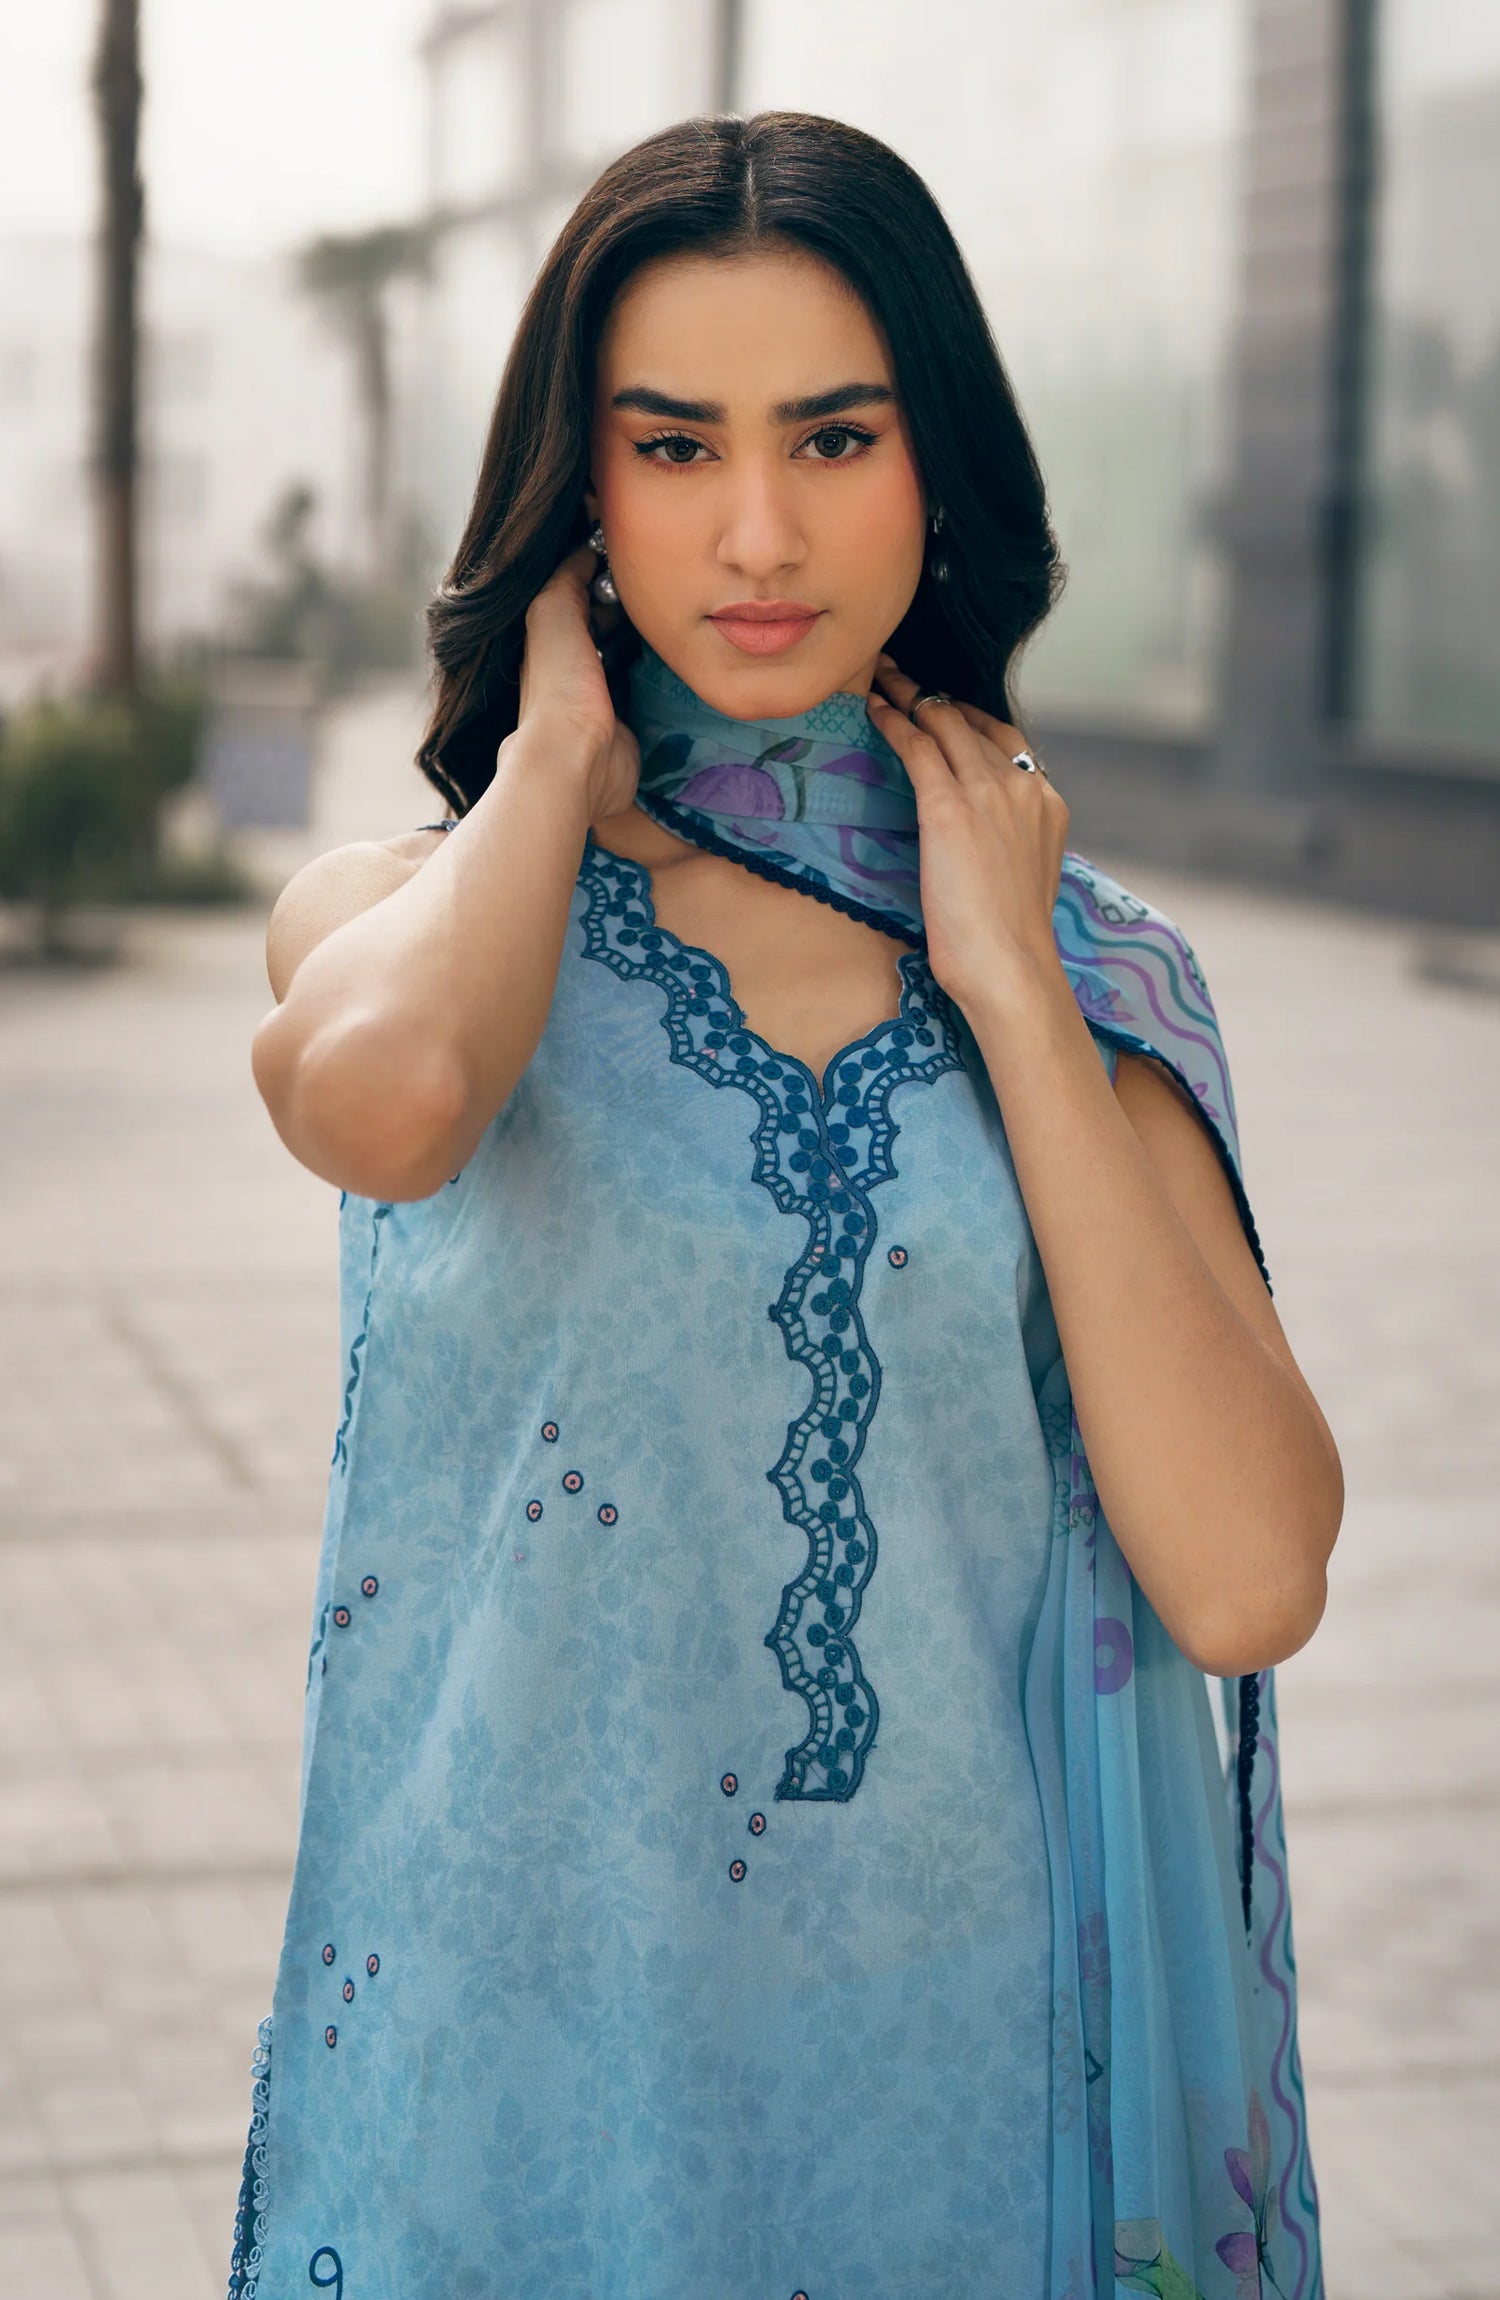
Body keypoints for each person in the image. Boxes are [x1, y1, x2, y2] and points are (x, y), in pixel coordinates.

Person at [232, 110, 1340, 2300]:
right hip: (510, 2092)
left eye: (836, 437)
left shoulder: (1095, 982)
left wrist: (1011, 989)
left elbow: (1246, 1577)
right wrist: (552, 765)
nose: (758, 532)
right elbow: (396, 1104)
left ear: (939, 468)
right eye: (672, 447)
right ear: (580, 492)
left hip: (954, 2103)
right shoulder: (409, 920)